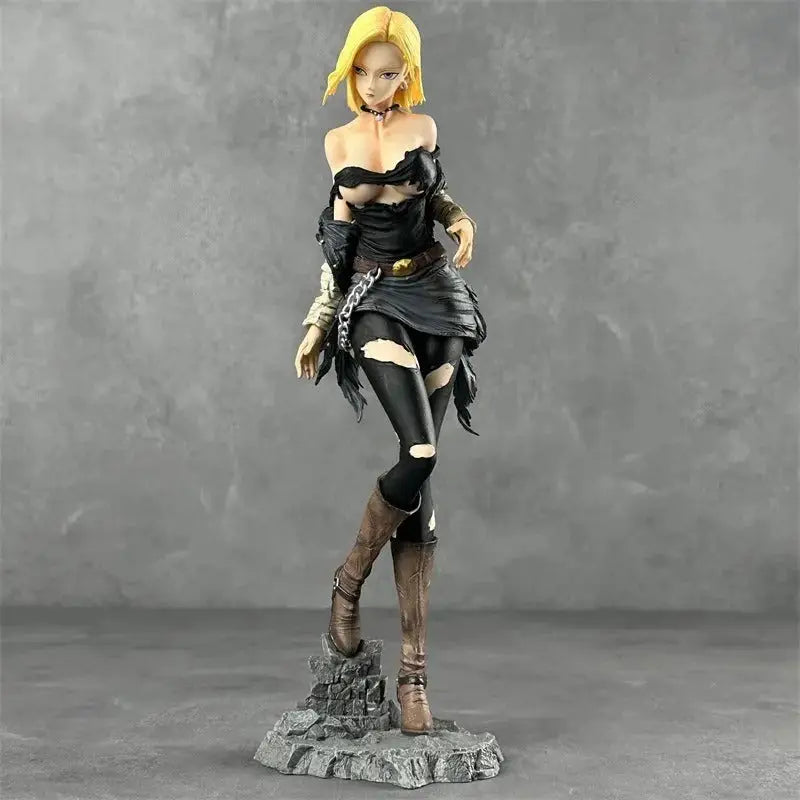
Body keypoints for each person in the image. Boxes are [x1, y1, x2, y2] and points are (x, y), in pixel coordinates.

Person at [293, 6, 486, 736]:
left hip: (437, 297)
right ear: (351, 72)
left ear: (407, 73)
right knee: (421, 449)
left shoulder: (424, 129)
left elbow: (435, 194)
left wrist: (460, 218)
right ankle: (349, 580)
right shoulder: (338, 142)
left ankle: (413, 677)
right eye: (364, 72)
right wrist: (319, 322)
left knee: (422, 490)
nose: (376, 85)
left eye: (389, 72)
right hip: (374, 300)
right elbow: (337, 247)